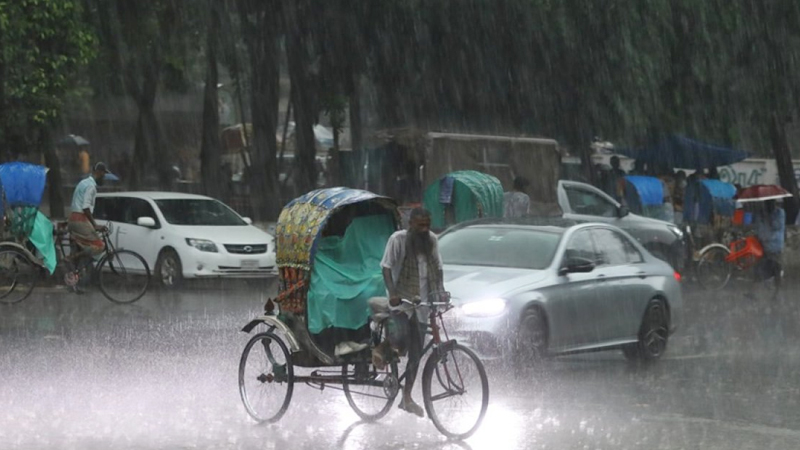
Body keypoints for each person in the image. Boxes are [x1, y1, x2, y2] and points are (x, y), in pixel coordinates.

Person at [368, 208, 446, 418]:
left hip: (423, 302)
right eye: (420, 225)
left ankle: (407, 397)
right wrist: (392, 293)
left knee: (417, 353)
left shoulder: (431, 240)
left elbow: (438, 268)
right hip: (401, 301)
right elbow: (386, 267)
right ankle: (381, 351)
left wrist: (441, 291)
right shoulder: (398, 239)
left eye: (427, 225)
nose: (424, 229)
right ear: (410, 224)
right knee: (401, 337)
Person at [67, 162, 111, 267]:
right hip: (80, 220)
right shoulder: (91, 186)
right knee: (100, 246)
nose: (104, 177)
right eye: (103, 174)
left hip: (72, 218)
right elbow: (85, 207)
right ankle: (71, 258)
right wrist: (95, 225)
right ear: (98, 172)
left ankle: (78, 271)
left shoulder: (83, 182)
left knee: (86, 245)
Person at [754, 200, 785, 285]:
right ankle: (754, 292)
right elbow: (760, 230)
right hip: (764, 246)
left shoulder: (780, 213)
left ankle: (777, 293)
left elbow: (777, 226)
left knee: (776, 269)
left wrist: (768, 218)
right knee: (759, 268)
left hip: (775, 246)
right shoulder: (761, 214)